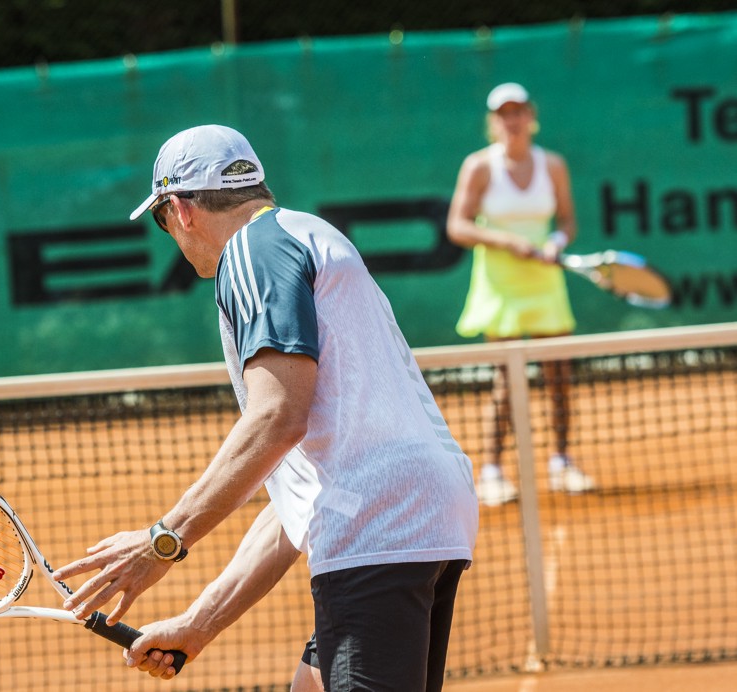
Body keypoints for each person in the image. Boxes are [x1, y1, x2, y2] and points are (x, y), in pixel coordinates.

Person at [52, 124, 479, 691]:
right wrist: (197, 624)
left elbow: (276, 416)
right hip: (414, 513)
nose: (172, 236)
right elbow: (295, 503)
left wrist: (164, 540)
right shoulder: (306, 234)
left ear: (181, 210)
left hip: (376, 527)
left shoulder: (252, 252)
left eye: (161, 221)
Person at [446, 82, 595, 507]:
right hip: (500, 284)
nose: (513, 120)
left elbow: (567, 222)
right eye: (504, 113)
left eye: (519, 111)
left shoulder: (554, 166)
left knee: (559, 377)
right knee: (505, 382)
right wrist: (506, 241)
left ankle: (562, 462)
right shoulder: (478, 166)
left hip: (545, 280)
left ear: (531, 116)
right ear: (494, 122)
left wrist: (556, 243)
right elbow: (458, 226)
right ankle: (492, 470)